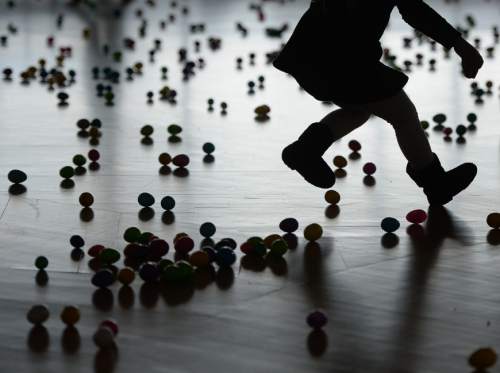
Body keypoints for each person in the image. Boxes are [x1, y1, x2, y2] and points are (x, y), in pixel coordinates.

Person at [273, 0, 484, 206]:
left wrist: (459, 44)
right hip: (343, 56)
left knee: (359, 109)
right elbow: (414, 9)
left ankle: (307, 149)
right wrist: (460, 44)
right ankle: (435, 183)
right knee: (402, 114)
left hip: (312, 53)